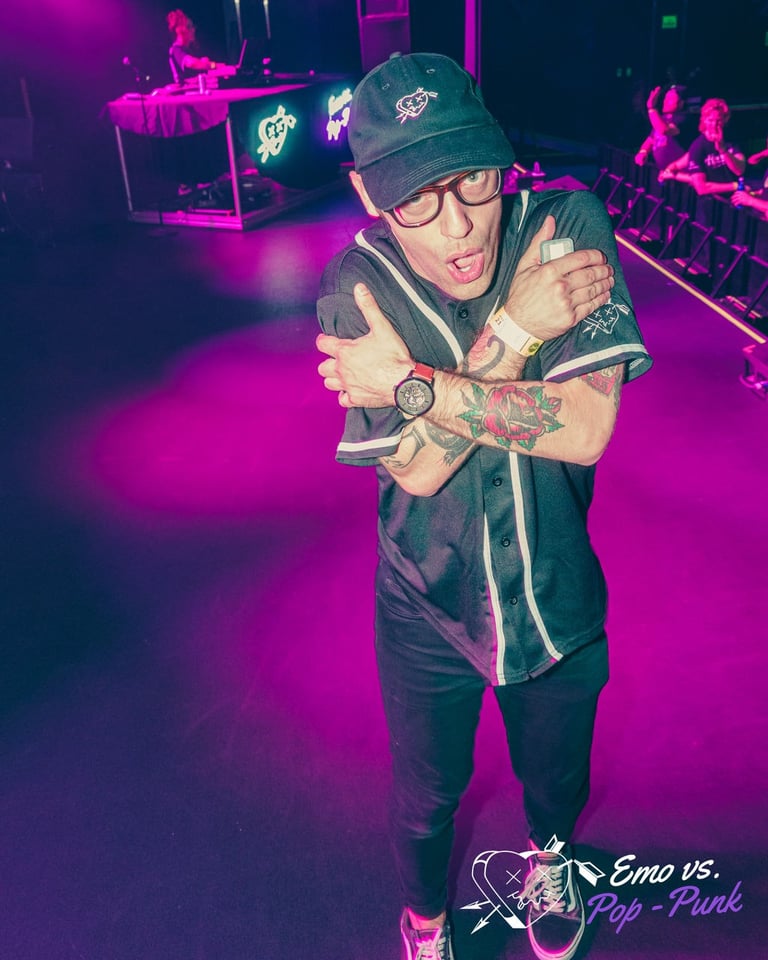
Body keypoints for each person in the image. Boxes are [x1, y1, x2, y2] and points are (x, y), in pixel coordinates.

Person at [315, 53, 652, 960]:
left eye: (472, 178)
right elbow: (419, 473)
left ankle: (551, 862)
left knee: (558, 780)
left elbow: (584, 427)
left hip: (555, 589)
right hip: (426, 598)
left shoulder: (564, 223)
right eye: (416, 200)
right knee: (427, 796)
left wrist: (413, 384)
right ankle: (425, 921)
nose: (460, 225)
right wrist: (517, 330)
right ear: (368, 194)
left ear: (501, 154)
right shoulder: (355, 287)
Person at [658, 97, 745, 195]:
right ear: (704, 120)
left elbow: (739, 170)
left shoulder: (730, 139)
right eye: (711, 120)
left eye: (718, 120)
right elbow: (701, 188)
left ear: (725, 119)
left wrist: (723, 150)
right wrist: (734, 186)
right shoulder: (698, 146)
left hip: (735, 200)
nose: (714, 125)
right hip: (712, 201)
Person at [634, 84, 687, 169]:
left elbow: (664, 130)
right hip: (663, 172)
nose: (665, 101)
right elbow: (651, 139)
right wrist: (643, 152)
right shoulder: (661, 118)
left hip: (679, 172)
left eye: (670, 99)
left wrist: (651, 108)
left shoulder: (682, 118)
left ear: (681, 103)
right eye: (666, 98)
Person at [167, 9, 217, 84]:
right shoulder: (176, 50)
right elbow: (191, 63)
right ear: (181, 30)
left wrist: (212, 65)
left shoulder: (189, 49)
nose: (193, 29)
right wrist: (210, 65)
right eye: (190, 27)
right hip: (186, 90)